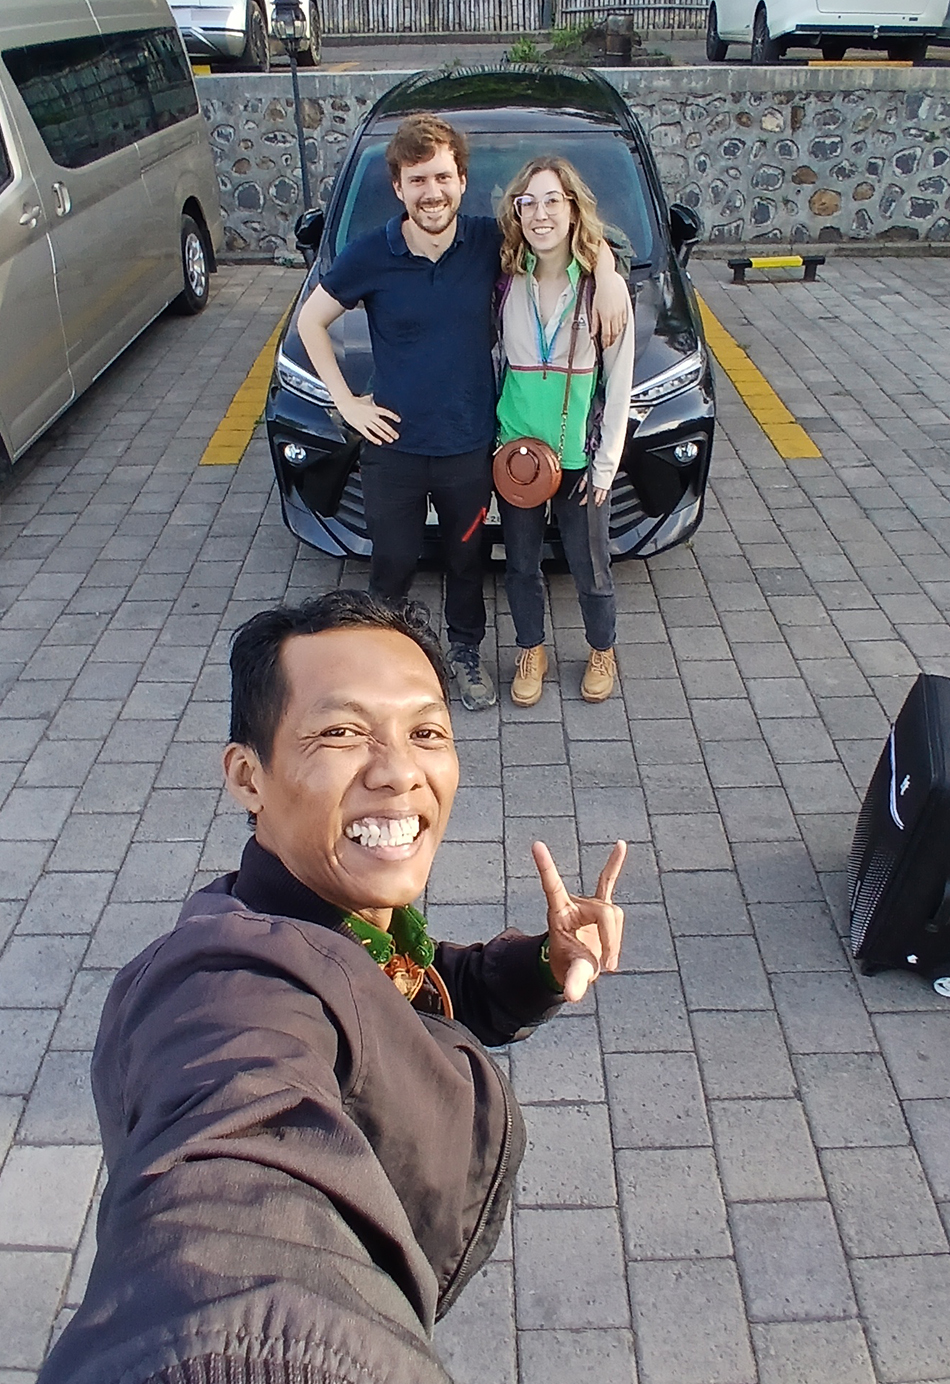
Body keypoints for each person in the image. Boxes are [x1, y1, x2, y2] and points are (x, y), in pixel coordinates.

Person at [38, 590, 626, 1384]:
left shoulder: (338, 921)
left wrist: (542, 967)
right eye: (341, 733)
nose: (398, 773)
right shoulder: (223, 989)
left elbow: (409, 991)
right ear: (249, 776)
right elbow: (231, 1210)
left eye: (426, 733)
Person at [297, 115, 629, 713]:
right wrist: (346, 402)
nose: (432, 191)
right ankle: (388, 664)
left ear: (461, 181)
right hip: (393, 449)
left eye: (443, 177)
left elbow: (561, 229)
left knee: (467, 558)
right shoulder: (371, 253)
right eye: (418, 178)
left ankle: (465, 654)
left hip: (472, 448)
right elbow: (309, 321)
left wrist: (606, 272)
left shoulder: (486, 244)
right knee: (392, 564)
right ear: (398, 186)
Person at [495, 157, 635, 709]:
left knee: (589, 564)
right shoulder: (505, 278)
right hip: (517, 454)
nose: (541, 214)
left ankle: (603, 649)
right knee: (520, 564)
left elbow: (620, 382)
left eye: (553, 201)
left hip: (580, 455)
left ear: (573, 209)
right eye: (529, 203)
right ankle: (531, 648)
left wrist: (606, 465)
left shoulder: (605, 291)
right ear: (517, 212)